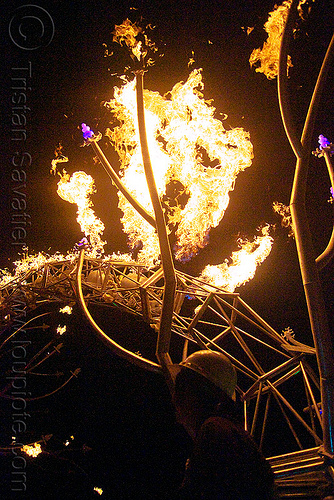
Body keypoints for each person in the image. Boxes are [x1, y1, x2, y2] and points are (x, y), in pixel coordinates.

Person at [172, 350, 278, 499]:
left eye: (183, 389)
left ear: (202, 394)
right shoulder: (229, 431)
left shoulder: (215, 431)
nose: (176, 398)